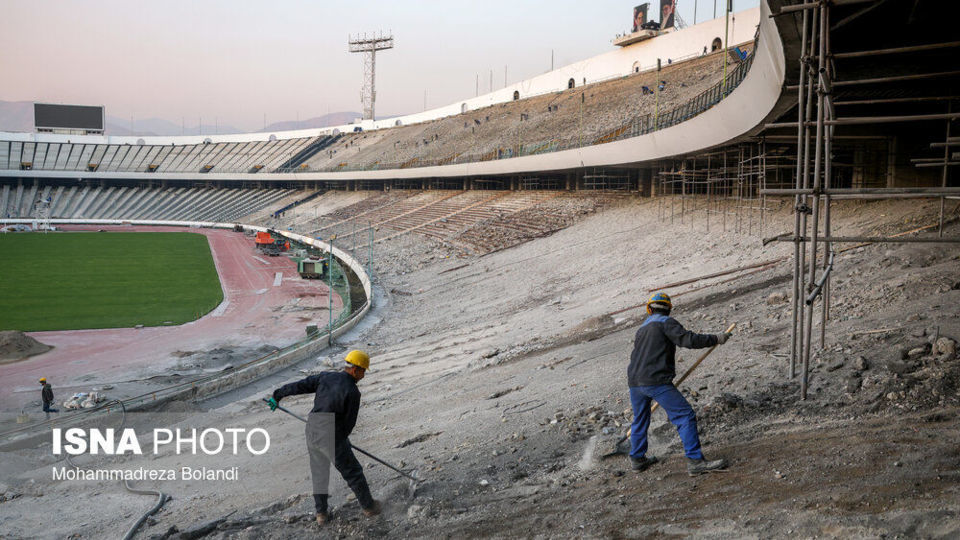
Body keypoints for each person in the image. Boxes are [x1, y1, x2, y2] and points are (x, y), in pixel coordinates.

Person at [267, 350, 381, 525]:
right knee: (353, 473)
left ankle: (321, 515)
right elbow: (348, 424)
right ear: (355, 370)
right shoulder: (353, 392)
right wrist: (342, 441)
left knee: (319, 473)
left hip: (312, 428)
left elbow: (300, 386)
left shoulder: (325, 377)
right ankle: (369, 507)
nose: (363, 375)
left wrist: (277, 395)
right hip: (331, 432)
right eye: (363, 371)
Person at [627, 292, 732, 476]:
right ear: (668, 309)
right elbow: (689, 340)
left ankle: (637, 458)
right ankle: (695, 461)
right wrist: (716, 338)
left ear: (649, 309)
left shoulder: (641, 329)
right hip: (655, 381)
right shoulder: (666, 323)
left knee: (640, 419)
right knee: (685, 415)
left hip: (635, 382)